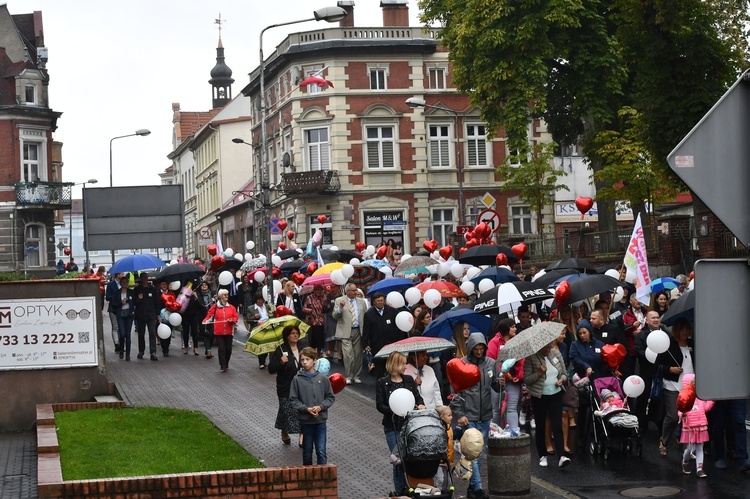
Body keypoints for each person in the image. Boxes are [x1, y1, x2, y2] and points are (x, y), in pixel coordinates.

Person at [451, 333, 501, 499]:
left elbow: (495, 387)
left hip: (485, 415)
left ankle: (472, 489)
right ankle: (478, 489)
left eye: (481, 349)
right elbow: (456, 392)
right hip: (469, 417)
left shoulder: (491, 363)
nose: (479, 352)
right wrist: (460, 414)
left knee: (480, 454)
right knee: (473, 452)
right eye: (476, 349)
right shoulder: (462, 364)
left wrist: (501, 383)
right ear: (470, 348)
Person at [375, 351, 425, 496]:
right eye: (403, 363)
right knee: (398, 460)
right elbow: (380, 405)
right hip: (392, 427)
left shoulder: (408, 380)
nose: (405, 366)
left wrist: (420, 405)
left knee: (409, 460)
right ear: (395, 364)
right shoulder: (382, 382)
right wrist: (396, 410)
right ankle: (399, 491)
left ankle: (408, 488)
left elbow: (417, 398)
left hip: (409, 427)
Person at [523, 339, 570, 469]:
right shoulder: (531, 358)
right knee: (541, 426)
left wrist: (561, 379)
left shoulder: (556, 354)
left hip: (556, 394)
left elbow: (565, 373)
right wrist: (538, 373)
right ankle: (542, 455)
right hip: (539, 396)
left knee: (557, 425)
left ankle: (561, 456)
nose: (548, 350)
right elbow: (527, 379)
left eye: (549, 347)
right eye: (545, 348)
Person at [289, 346, 335, 466]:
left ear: (314, 360)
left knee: (321, 451)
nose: (304, 362)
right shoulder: (297, 379)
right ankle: (308, 477)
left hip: (320, 421)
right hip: (306, 422)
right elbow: (293, 399)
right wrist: (306, 409)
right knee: (307, 451)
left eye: (307, 359)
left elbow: (330, 397)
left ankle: (323, 476)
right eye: (302, 360)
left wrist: (321, 407)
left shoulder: (323, 378)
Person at [658, 318, 694, 457]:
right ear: (676, 330)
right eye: (682, 329)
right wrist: (670, 369)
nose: (685, 331)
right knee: (673, 416)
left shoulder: (692, 344)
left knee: (689, 417)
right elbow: (658, 366)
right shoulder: (669, 345)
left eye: (687, 329)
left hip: (691, 386)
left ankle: (687, 448)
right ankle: (664, 440)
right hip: (672, 385)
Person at [268, 325, 308, 447]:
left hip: (302, 385)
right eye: (292, 333)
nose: (295, 335)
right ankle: (285, 431)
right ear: (287, 336)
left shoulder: (303, 347)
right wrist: (281, 362)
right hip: (285, 386)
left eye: (297, 333)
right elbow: (271, 369)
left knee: (302, 411)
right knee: (286, 409)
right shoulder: (280, 349)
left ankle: (303, 436)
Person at [634, 310, 667, 434]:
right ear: (646, 320)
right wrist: (651, 357)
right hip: (646, 372)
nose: (656, 320)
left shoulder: (664, 334)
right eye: (653, 318)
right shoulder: (641, 335)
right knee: (643, 398)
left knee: (660, 401)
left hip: (661, 372)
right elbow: (638, 350)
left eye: (657, 317)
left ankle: (659, 424)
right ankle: (640, 424)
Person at [679, 374, 713, 477]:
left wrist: (712, 400)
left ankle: (699, 469)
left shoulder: (700, 397)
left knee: (699, 448)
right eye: (693, 383)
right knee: (689, 449)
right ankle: (685, 461)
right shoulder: (684, 397)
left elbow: (705, 408)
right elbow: (680, 410)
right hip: (689, 427)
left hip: (700, 425)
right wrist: (683, 414)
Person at [332, 283, 366, 384]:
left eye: (356, 290)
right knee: (348, 355)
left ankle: (356, 375)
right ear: (347, 292)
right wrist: (340, 308)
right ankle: (348, 375)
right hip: (345, 331)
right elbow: (335, 316)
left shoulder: (361, 302)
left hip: (358, 331)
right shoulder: (339, 300)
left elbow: (365, 315)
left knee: (357, 354)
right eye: (354, 290)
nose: (356, 292)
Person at [363, 292, 402, 379]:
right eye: (378, 301)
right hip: (377, 344)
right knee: (379, 368)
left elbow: (397, 327)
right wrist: (365, 344)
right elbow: (366, 330)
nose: (380, 302)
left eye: (382, 300)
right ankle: (381, 386)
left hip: (391, 343)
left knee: (392, 366)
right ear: (374, 302)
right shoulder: (369, 314)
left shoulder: (392, 311)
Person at [202, 288, 238, 372]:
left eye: (227, 295)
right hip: (219, 331)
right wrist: (205, 321)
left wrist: (232, 320)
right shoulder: (215, 307)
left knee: (228, 349)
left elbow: (235, 317)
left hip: (229, 331)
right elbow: (209, 315)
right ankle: (223, 365)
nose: (226, 296)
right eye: (224, 295)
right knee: (222, 349)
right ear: (220, 296)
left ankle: (226, 362)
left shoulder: (231, 307)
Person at [133, 272, 160, 361]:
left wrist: (157, 314)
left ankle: (153, 352)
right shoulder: (137, 289)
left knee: (152, 333)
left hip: (151, 314)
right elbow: (134, 302)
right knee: (141, 334)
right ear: (141, 279)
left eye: (146, 277)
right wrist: (138, 299)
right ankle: (141, 351)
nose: (145, 279)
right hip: (141, 315)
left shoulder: (152, 289)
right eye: (143, 277)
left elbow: (156, 303)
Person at [302, 285, 331, 360]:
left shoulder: (324, 298)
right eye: (317, 290)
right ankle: (311, 356)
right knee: (312, 340)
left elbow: (326, 309)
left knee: (320, 340)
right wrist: (309, 310)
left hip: (321, 321)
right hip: (312, 321)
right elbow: (304, 308)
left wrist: (326, 303)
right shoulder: (309, 298)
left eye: (321, 290)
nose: (319, 291)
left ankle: (318, 355)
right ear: (314, 290)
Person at [111, 275, 135, 361]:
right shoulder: (117, 293)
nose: (125, 284)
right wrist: (120, 303)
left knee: (128, 334)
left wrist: (133, 310)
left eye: (126, 282)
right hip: (120, 315)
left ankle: (128, 354)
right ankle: (121, 349)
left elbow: (134, 302)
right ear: (121, 283)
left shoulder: (131, 292)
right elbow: (113, 304)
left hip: (129, 315)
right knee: (122, 334)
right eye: (123, 282)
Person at [249, 292, 275, 369]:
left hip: (268, 328)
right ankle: (261, 362)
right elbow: (248, 319)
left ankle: (265, 360)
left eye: (261, 300)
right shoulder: (251, 308)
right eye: (258, 300)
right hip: (258, 329)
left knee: (268, 345)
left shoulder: (267, 307)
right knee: (261, 346)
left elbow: (272, 315)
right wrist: (254, 317)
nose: (260, 302)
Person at [182, 282, 206, 356]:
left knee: (195, 331)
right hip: (185, 314)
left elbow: (202, 306)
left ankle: (196, 347)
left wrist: (196, 298)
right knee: (185, 331)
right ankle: (186, 346)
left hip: (194, 315)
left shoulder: (196, 293)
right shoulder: (183, 293)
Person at [434, 405, 454, 490]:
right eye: (449, 415)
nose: (452, 417)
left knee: (448, 484)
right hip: (440, 463)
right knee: (440, 483)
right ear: (441, 417)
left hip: (449, 462)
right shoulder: (437, 430)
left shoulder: (449, 427)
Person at [105, 273, 124, 353]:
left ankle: (121, 343)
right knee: (115, 326)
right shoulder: (111, 284)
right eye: (122, 273)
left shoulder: (124, 284)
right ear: (117, 275)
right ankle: (117, 344)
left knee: (121, 327)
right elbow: (107, 297)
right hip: (113, 309)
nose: (123, 275)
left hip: (123, 308)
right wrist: (116, 296)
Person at [195, 281, 215, 358]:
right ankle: (208, 350)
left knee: (212, 333)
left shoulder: (212, 294)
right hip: (203, 317)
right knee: (205, 333)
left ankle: (209, 348)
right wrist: (196, 299)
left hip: (212, 316)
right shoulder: (198, 295)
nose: (204, 286)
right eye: (202, 285)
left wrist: (216, 299)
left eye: (205, 284)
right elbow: (199, 306)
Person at [156, 280, 174, 357]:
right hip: (161, 315)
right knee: (163, 332)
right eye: (162, 284)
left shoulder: (171, 293)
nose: (164, 285)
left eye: (165, 284)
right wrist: (157, 315)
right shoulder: (157, 293)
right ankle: (165, 350)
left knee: (169, 331)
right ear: (160, 285)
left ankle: (167, 345)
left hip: (170, 315)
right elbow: (156, 304)